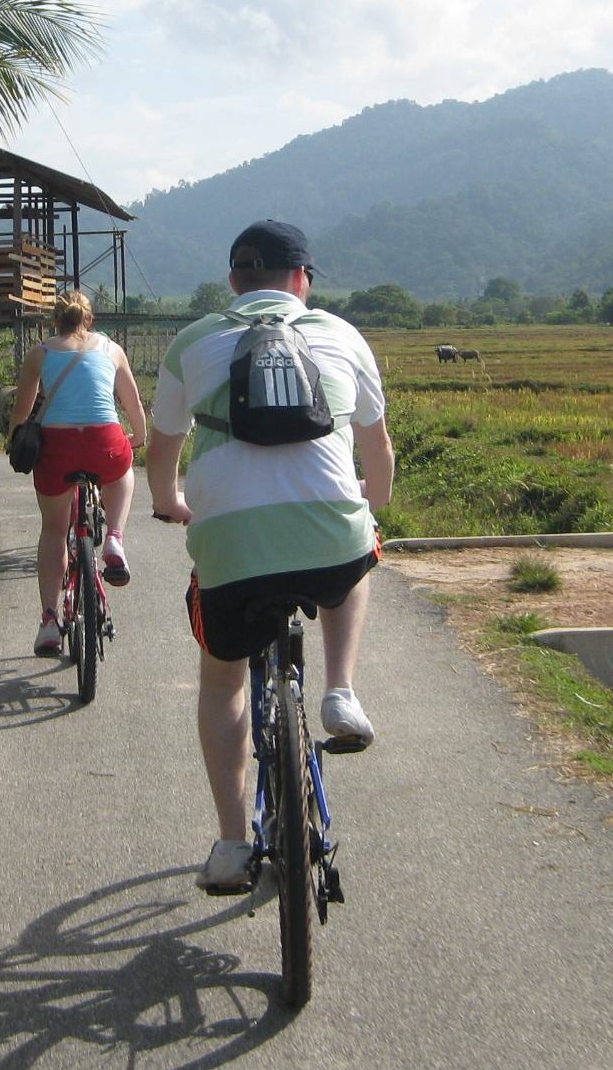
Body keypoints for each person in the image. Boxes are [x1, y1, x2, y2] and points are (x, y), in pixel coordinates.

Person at [146, 220, 394, 895]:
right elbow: (378, 450)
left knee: (222, 680)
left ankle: (232, 844)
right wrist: (371, 498)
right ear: (303, 279)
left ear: (234, 280)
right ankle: (340, 692)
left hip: (231, 544)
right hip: (330, 537)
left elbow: (162, 451)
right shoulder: (343, 335)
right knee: (358, 545)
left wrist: (170, 503)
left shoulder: (193, 340)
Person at [9, 290, 148, 657]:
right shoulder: (112, 349)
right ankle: (114, 538)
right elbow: (132, 403)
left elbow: (21, 412)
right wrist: (138, 438)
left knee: (54, 531)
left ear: (55, 320)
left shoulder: (39, 353)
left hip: (57, 447)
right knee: (123, 471)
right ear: (90, 319)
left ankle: (49, 622)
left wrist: (14, 440)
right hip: (104, 440)